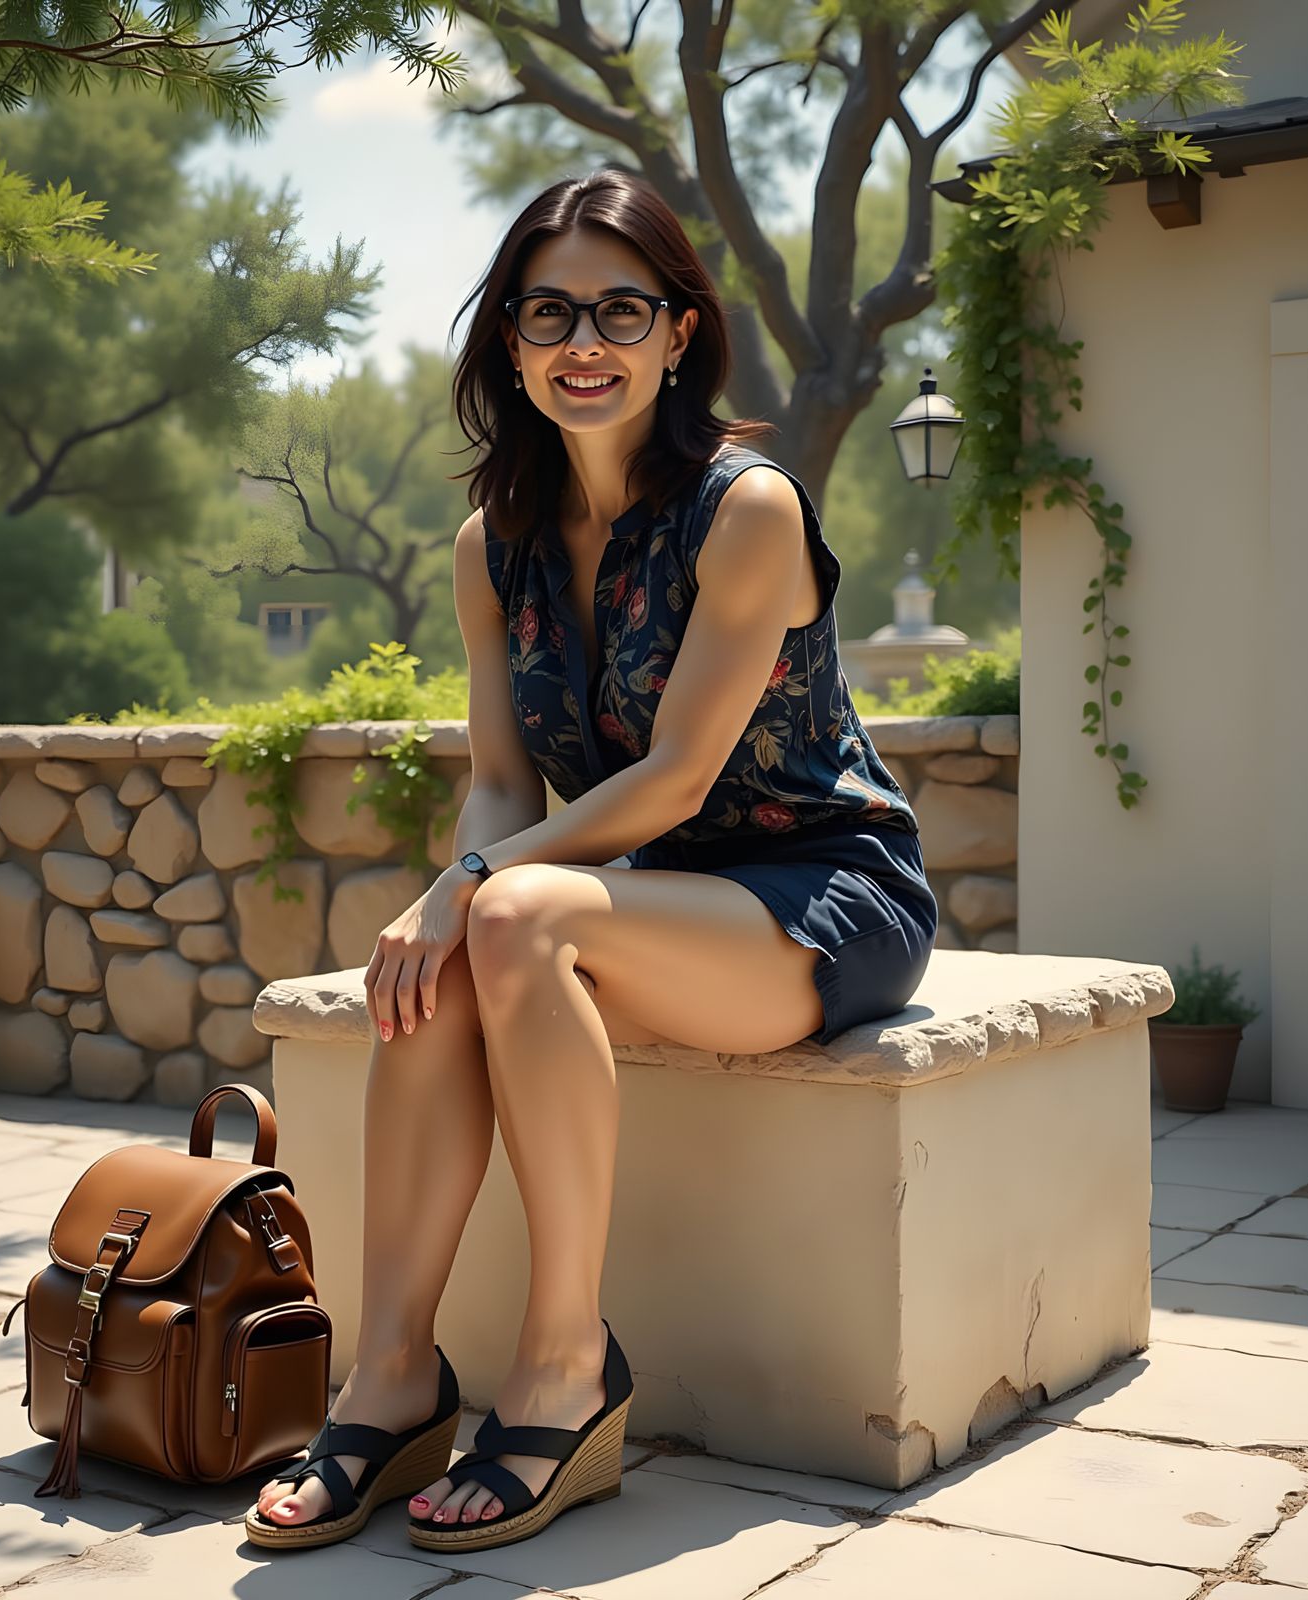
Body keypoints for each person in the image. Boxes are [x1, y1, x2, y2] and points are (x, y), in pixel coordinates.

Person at [246, 167, 937, 1555]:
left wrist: (474, 889)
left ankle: (566, 1368)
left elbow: (679, 776)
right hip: (623, 900)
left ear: (682, 333)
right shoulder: (487, 543)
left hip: (816, 893)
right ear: (507, 338)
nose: (585, 342)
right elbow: (503, 778)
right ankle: (393, 1374)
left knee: (508, 917)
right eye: (547, 311)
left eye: (623, 310)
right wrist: (459, 893)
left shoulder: (747, 508)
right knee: (451, 961)